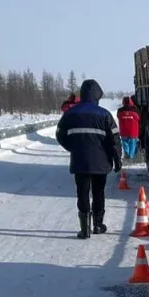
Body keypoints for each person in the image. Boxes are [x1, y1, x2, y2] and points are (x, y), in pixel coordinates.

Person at [55, 79, 122, 238]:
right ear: (97, 95)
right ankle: (98, 225)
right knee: (99, 193)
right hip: (101, 162)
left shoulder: (70, 113)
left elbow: (59, 134)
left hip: (80, 161)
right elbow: (115, 139)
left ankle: (84, 230)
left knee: (82, 193)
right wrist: (117, 158)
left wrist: (72, 147)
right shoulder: (104, 114)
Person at [116, 96, 141, 162]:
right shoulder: (135, 109)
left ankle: (126, 153)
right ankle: (131, 156)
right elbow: (138, 118)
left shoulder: (120, 110)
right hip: (133, 131)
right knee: (132, 143)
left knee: (125, 143)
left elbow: (118, 116)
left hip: (124, 131)